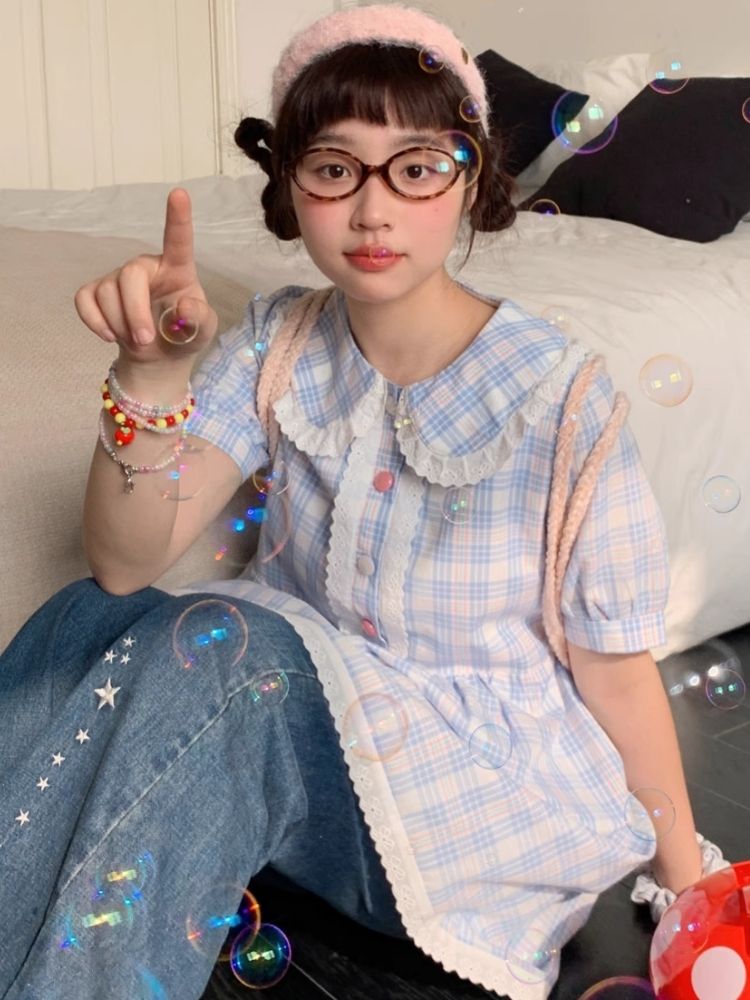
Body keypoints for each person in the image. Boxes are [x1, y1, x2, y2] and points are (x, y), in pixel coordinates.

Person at [0, 5, 729, 999]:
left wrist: (689, 883)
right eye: (335, 168)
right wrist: (151, 377)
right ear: (292, 187)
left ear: (470, 180)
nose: (373, 210)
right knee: (83, 618)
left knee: (235, 656)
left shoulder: (560, 397)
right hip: (317, 726)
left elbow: (617, 670)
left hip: (468, 803)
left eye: (416, 168)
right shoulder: (279, 341)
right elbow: (125, 564)